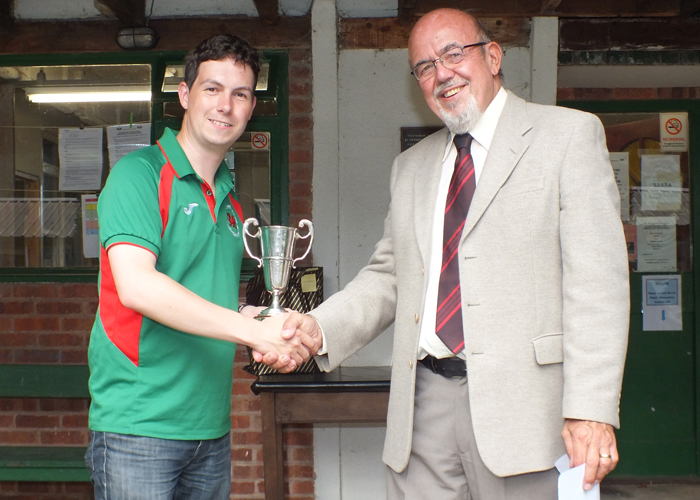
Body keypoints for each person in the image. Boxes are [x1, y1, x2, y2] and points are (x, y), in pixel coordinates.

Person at [272, 8, 630, 500]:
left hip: (530, 412)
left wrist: (590, 410)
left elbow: (598, 286)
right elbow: (389, 277)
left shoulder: (567, 136)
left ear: (494, 56)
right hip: (423, 409)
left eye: (453, 54)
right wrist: (317, 328)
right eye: (424, 66)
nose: (441, 73)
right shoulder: (411, 167)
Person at [84, 34, 313, 499]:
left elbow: (209, 302)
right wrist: (251, 333)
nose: (225, 105)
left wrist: (273, 324)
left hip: (209, 429)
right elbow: (139, 287)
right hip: (139, 427)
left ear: (251, 108)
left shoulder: (231, 201)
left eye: (240, 94)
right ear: (185, 95)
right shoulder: (139, 175)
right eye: (212, 88)